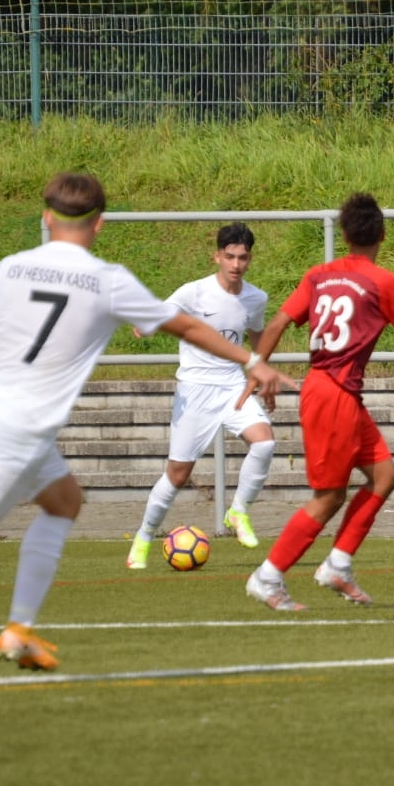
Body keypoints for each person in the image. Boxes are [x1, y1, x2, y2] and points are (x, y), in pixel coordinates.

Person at [0, 173, 295, 688]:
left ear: (46, 217)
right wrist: (252, 361)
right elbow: (188, 326)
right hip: (19, 430)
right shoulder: (107, 280)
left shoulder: (11, 267)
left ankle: (19, 631)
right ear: (99, 223)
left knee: (64, 501)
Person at [244, 192, 394, 611]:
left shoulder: (319, 276)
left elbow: (277, 323)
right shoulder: (382, 282)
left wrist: (256, 367)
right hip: (334, 394)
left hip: (334, 390)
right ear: (382, 235)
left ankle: (338, 564)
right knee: (329, 497)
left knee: (384, 476)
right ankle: (268, 576)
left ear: (345, 235)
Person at [125, 223, 276, 566]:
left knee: (264, 443)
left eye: (243, 258)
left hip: (232, 386)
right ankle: (144, 537)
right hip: (194, 391)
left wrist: (260, 373)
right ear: (217, 256)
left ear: (250, 259)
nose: (236, 264)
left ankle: (238, 512)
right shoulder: (193, 292)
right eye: (230, 257)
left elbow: (257, 335)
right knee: (178, 474)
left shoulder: (255, 298)